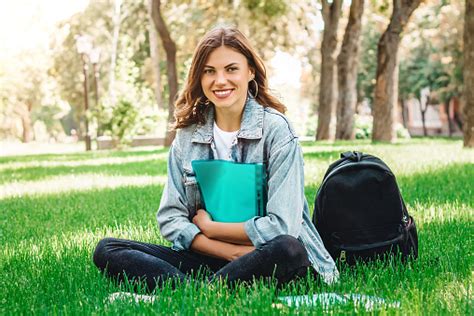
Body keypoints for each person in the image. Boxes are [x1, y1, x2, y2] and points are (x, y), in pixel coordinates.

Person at [93, 27, 338, 291]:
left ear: (250, 71)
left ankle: (192, 290)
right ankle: (206, 289)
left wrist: (212, 228)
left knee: (289, 249)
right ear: (199, 77)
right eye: (209, 71)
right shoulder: (187, 137)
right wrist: (227, 252)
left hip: (268, 256)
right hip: (213, 257)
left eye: (231, 69)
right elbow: (171, 218)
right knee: (108, 249)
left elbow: (281, 227)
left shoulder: (278, 131)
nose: (220, 80)